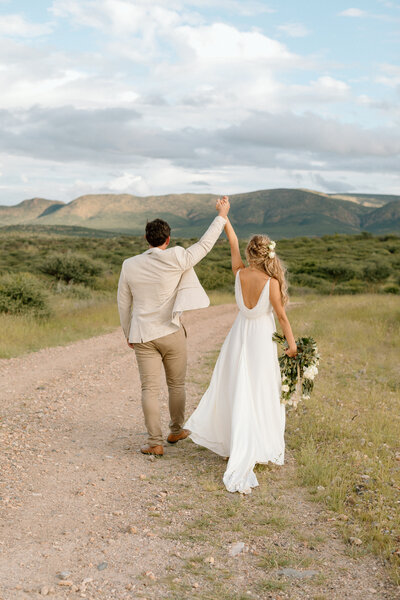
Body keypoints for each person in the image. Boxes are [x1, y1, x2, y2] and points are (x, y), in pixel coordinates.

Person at [185, 209, 297, 493]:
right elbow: (282, 317)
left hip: (238, 336)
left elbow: (232, 242)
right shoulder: (271, 283)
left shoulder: (240, 273)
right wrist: (292, 344)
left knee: (236, 386)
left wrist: (224, 215)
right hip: (260, 338)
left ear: (250, 254)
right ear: (268, 255)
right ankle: (253, 445)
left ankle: (232, 443)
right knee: (259, 388)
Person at [117, 197, 230, 456]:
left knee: (149, 389)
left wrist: (128, 333)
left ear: (147, 239)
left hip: (143, 335)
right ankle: (176, 430)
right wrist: (221, 215)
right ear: (167, 240)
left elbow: (123, 304)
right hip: (172, 332)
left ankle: (155, 442)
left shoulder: (129, 265)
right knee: (176, 385)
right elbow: (205, 244)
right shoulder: (177, 257)